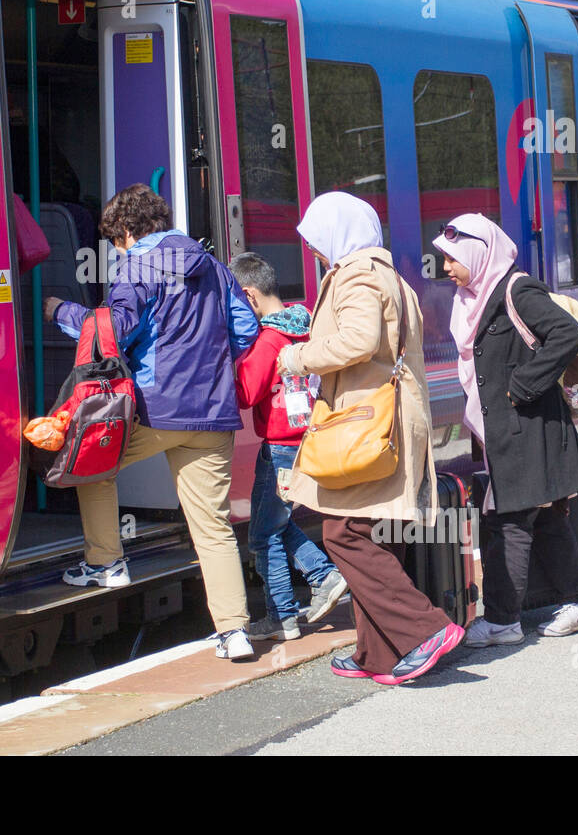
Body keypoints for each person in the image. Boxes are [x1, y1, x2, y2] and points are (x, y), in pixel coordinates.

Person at [43, 183, 261, 661]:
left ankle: (105, 561)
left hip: (155, 408)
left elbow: (112, 333)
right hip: (212, 411)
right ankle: (234, 632)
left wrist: (61, 311)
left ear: (125, 231)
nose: (117, 250)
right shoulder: (215, 267)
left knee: (88, 459)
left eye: (115, 242)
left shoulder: (135, 268)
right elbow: (246, 330)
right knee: (213, 526)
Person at [278, 192, 464, 684]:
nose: (316, 252)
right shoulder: (391, 277)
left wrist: (297, 358)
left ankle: (424, 630)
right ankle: (377, 654)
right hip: (391, 419)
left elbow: (359, 342)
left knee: (344, 533)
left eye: (318, 241)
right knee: (378, 531)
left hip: (368, 421)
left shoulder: (357, 274)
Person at [432, 213, 578, 646]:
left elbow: (565, 332)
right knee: (543, 518)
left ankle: (504, 620)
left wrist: (523, 385)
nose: (445, 268)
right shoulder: (473, 298)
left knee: (506, 522)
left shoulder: (516, 289)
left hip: (530, 430)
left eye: (452, 258)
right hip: (512, 432)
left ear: (477, 251)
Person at [230, 251, 348, 641]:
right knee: (276, 523)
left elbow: (246, 393)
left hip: (280, 445)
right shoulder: (308, 325)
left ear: (248, 297)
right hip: (306, 439)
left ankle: (284, 613)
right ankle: (322, 577)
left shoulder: (268, 341)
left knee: (263, 534)